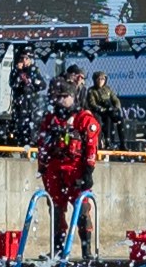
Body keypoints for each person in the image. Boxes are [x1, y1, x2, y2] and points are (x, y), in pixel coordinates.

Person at [35, 64, 102, 257]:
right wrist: (43, 166)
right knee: (56, 209)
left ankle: (86, 251)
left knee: (82, 210)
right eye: (57, 96)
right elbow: (43, 144)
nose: (60, 100)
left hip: (76, 171)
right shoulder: (50, 119)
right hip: (55, 170)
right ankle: (57, 250)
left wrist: (88, 172)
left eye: (64, 96)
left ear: (73, 97)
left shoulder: (84, 119)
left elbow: (91, 146)